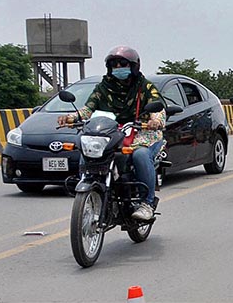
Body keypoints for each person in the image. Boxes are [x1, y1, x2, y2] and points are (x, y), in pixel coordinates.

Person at [57, 45, 165, 221]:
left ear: (134, 66)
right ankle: (88, 180)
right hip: (116, 131)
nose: (118, 69)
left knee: (140, 155)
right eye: (115, 65)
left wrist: (155, 121)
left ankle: (147, 202)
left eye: (123, 64)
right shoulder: (104, 87)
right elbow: (88, 109)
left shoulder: (144, 87)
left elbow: (158, 107)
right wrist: (71, 117)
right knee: (88, 148)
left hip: (142, 132)